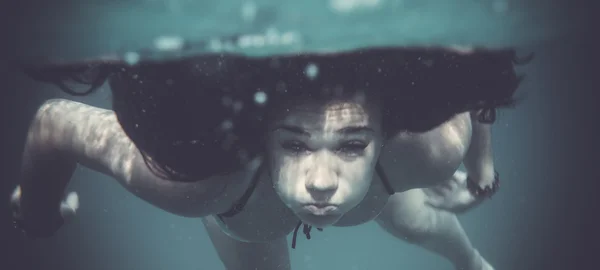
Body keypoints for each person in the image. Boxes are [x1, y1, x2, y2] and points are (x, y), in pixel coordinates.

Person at [11, 45, 529, 270]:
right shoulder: (203, 182)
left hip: (379, 180)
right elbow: (55, 124)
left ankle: (469, 261)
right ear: (261, 136)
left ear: (383, 134)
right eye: (294, 143)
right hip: (245, 207)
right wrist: (35, 208)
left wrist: (483, 165)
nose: (321, 181)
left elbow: (472, 85)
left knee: (419, 222)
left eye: (352, 143)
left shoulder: (428, 152)